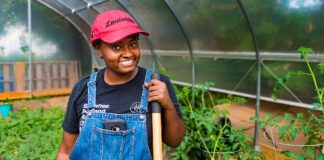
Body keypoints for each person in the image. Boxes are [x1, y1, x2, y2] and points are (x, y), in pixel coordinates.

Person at [56, 10, 186, 160]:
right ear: (99, 49)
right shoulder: (83, 89)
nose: (128, 53)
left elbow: (175, 141)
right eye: (117, 47)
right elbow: (66, 151)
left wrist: (168, 105)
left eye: (133, 44)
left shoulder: (156, 84)